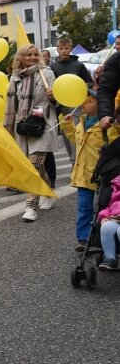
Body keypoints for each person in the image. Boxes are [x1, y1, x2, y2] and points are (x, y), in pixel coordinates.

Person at [3, 44, 57, 222]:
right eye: (29, 55)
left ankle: (30, 207)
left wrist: (53, 96)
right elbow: (10, 105)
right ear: (21, 58)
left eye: (36, 54)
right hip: (23, 126)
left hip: (43, 125)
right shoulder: (15, 76)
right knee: (36, 166)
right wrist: (8, 129)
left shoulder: (46, 72)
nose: (33, 57)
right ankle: (47, 192)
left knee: (34, 166)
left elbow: (59, 101)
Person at [68, 89, 120, 250]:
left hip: (103, 175)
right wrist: (68, 126)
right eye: (83, 100)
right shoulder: (81, 123)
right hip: (83, 175)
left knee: (104, 206)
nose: (84, 103)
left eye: (89, 101)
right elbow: (76, 142)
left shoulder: (109, 126)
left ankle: (101, 237)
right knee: (84, 207)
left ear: (102, 105)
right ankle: (83, 239)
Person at [50, 37, 92, 166]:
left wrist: (84, 89)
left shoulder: (78, 65)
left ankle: (77, 162)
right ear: (57, 49)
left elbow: (89, 82)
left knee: (76, 131)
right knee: (66, 134)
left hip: (76, 105)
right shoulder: (53, 66)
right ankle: (72, 161)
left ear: (71, 49)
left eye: (66, 48)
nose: (64, 51)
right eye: (61, 48)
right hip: (60, 106)